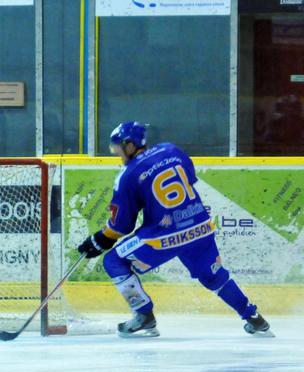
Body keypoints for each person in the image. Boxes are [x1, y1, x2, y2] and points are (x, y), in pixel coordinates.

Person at [77, 121, 272, 338]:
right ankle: (254, 319)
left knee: (113, 261)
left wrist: (100, 239)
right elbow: (188, 179)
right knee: (214, 277)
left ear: (130, 145)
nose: (117, 153)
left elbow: (122, 225)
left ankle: (144, 317)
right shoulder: (172, 150)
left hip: (163, 236)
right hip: (199, 227)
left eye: (118, 147)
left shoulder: (128, 174)